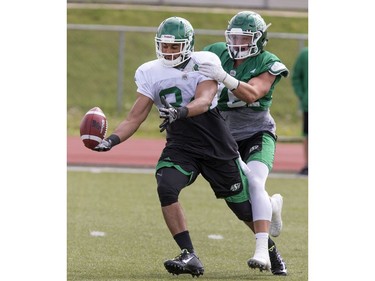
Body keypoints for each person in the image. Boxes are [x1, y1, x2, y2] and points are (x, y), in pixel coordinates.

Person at [93, 16, 272, 277]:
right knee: (166, 187)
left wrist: (179, 112)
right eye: (164, 46)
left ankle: (271, 251)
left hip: (215, 144)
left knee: (243, 208)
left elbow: (204, 100)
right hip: (182, 144)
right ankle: (190, 255)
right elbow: (135, 116)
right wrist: (111, 141)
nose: (168, 51)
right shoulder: (149, 71)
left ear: (187, 45)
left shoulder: (205, 62)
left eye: (174, 46)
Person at [198, 11, 289, 275]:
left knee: (255, 182)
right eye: (234, 37)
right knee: (239, 193)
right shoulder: (216, 52)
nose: (237, 43)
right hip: (224, 135)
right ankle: (270, 206)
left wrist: (224, 77)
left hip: (257, 132)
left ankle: (262, 251)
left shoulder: (268, 62)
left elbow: (252, 94)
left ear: (259, 40)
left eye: (244, 38)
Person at [292, 47, 308, 176]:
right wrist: (303, 96)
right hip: (310, 105)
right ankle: (308, 165)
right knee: (308, 135)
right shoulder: (305, 54)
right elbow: (296, 77)